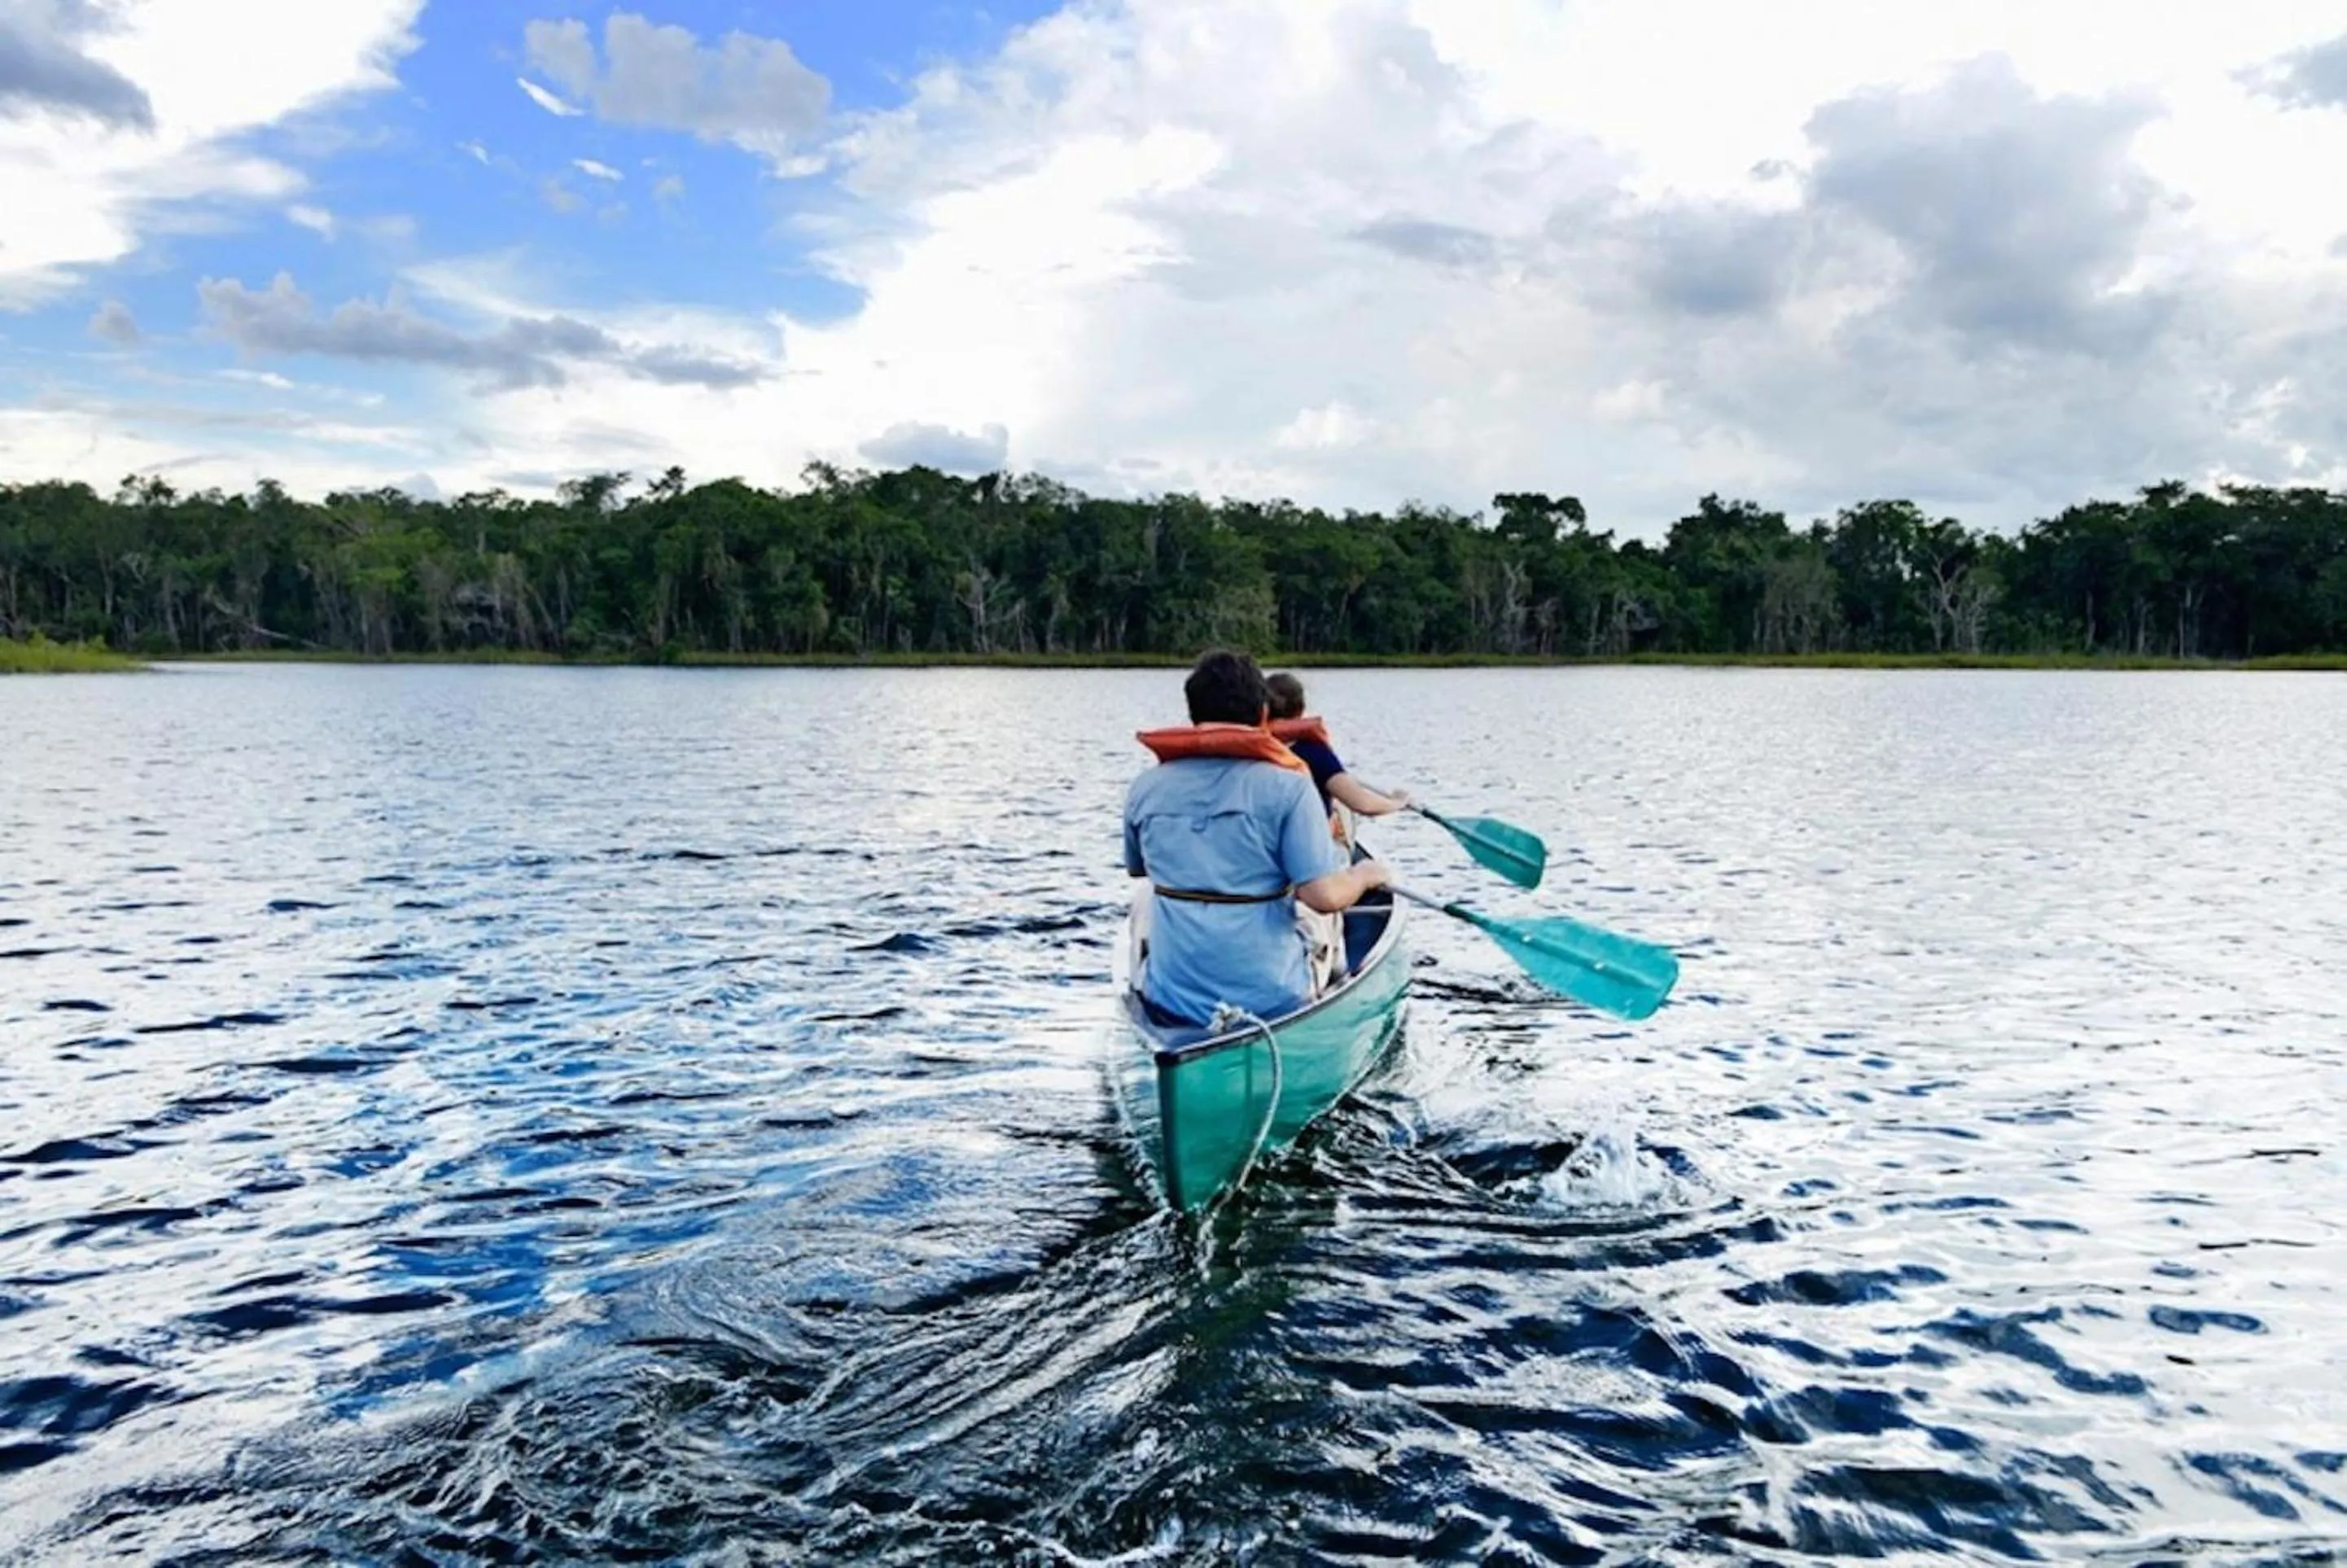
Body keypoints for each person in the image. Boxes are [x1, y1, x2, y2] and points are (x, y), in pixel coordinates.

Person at [1125, 649, 1392, 1026]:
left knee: (1146, 898)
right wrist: (1366, 875)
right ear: (1263, 717)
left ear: (1193, 715)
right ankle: (1336, 982)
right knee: (1325, 906)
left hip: (1172, 996)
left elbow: (1139, 868)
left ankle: (1169, 1033)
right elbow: (1324, 897)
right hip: (1272, 997)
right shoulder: (1291, 788)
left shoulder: (1145, 788)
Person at [1264, 672, 1412, 828]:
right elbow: (1364, 805)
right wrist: (1397, 803)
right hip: (1309, 843)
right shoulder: (1315, 753)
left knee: (1337, 806)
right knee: (1341, 813)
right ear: (1301, 709)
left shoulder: (1254, 749)